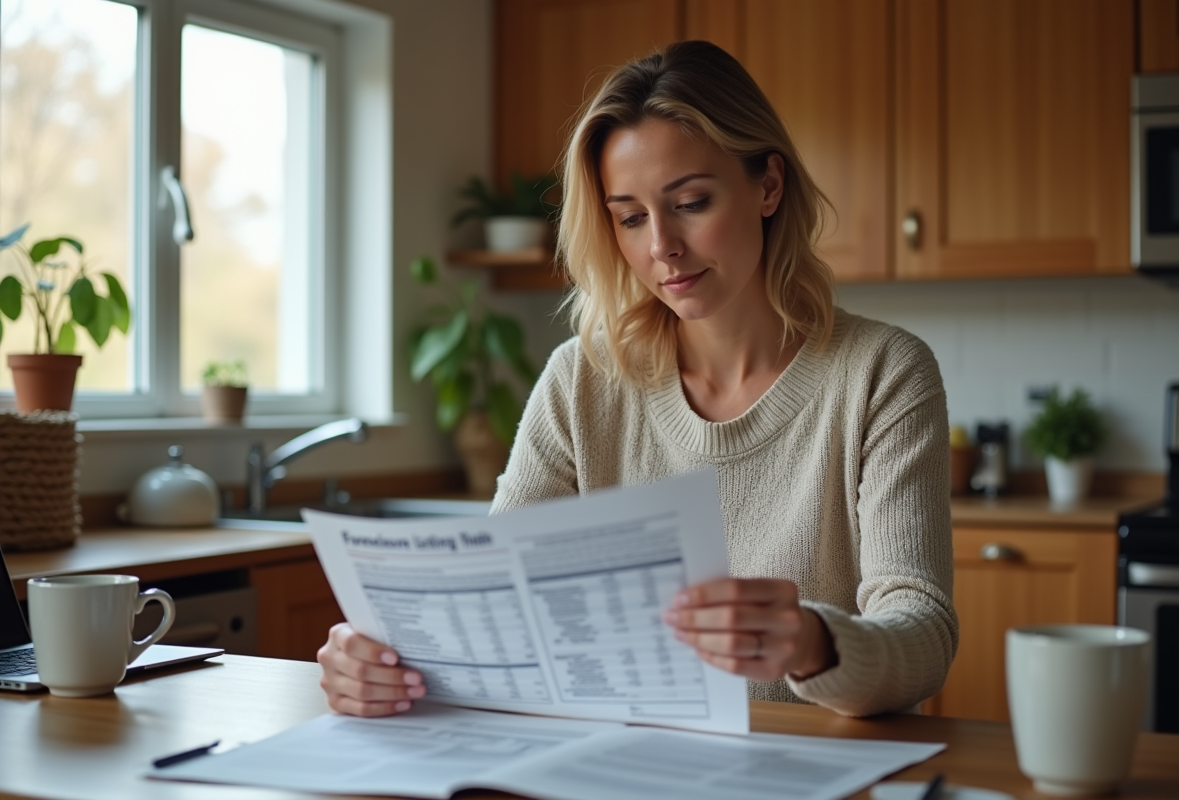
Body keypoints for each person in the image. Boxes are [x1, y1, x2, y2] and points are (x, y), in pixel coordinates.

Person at [318, 40, 958, 718]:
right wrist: (376, 660)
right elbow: (491, 602)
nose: (661, 247)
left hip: (813, 765)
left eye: (691, 202)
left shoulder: (883, 372)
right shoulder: (581, 382)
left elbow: (922, 631)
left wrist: (812, 642)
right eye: (629, 218)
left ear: (768, 186)